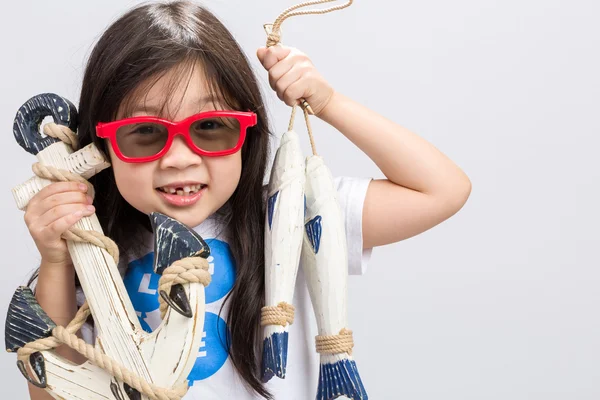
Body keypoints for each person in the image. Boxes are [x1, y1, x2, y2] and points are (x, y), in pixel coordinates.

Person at [22, 1, 471, 399]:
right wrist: (57, 262)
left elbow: (441, 190)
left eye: (210, 127)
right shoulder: (94, 255)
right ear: (101, 149)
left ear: (246, 132)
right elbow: (53, 393)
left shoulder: (290, 217)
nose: (180, 159)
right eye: (144, 133)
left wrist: (328, 102)